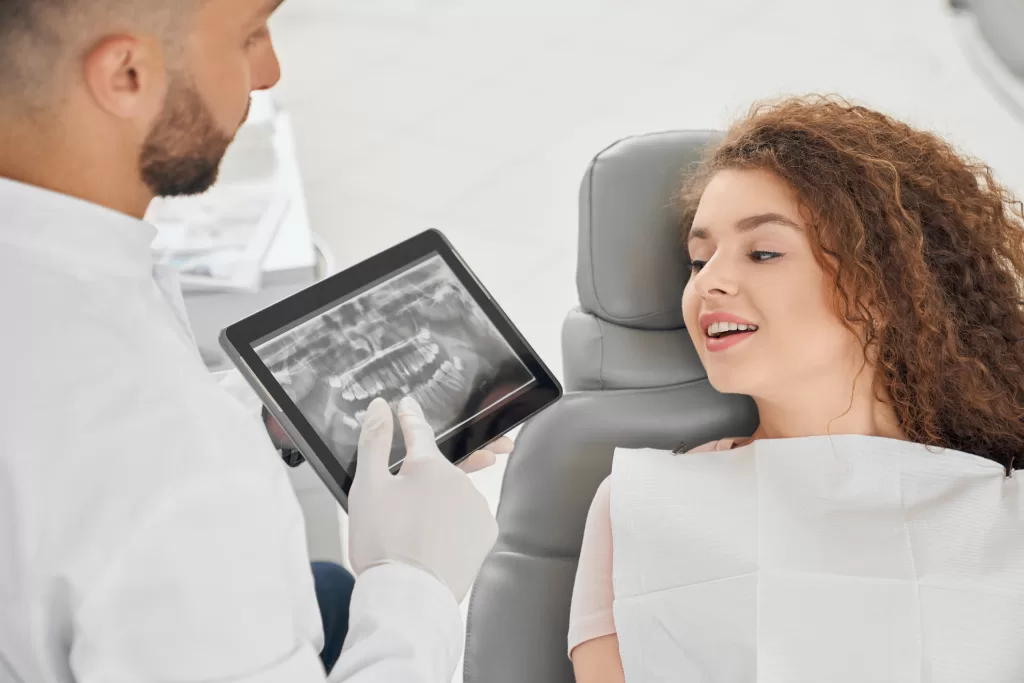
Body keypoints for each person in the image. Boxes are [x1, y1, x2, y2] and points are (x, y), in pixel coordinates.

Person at [0, 0, 510, 681]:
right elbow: (149, 462)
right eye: (249, 36)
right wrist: (414, 579)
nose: (269, 72)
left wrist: (270, 414)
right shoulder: (175, 467)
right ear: (125, 73)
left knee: (325, 591)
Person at [568, 96, 1024, 682]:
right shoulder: (641, 505)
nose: (711, 283)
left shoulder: (1003, 511)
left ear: (882, 286)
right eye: (698, 259)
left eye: (763, 252)